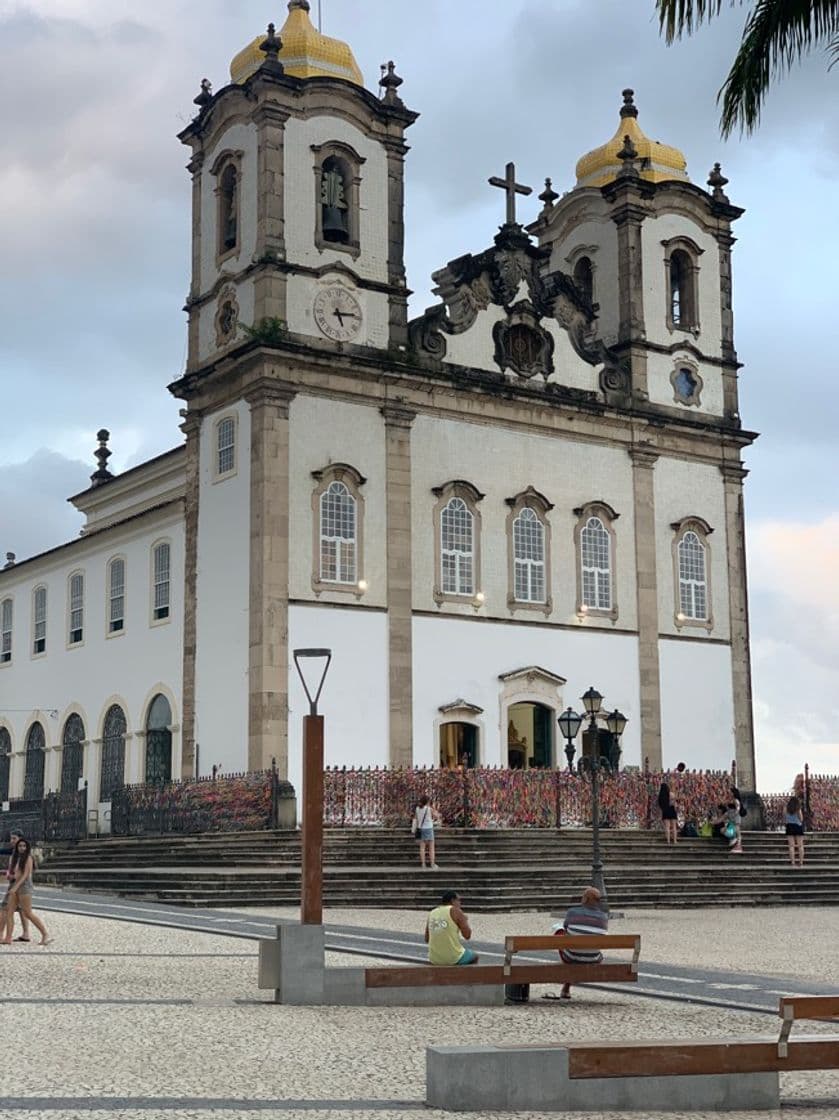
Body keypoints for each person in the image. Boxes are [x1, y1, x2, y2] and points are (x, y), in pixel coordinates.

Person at [553, 885, 608, 999]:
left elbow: (566, 928)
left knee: (559, 934)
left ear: (585, 899)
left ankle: (566, 987)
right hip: (594, 958)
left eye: (583, 896)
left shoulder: (572, 912)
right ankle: (566, 988)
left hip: (571, 957)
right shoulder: (603, 917)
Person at [1, 838, 51, 946]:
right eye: (20, 846)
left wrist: (15, 887)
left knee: (27, 913)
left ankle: (45, 934)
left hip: (24, 887)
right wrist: (10, 877)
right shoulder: (15, 858)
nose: (22, 848)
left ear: (27, 847)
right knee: (9, 912)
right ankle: (8, 938)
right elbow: (16, 874)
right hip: (15, 886)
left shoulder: (28, 858)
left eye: (24, 846)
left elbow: (25, 875)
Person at [425, 889, 478, 965]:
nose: (460, 903)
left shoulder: (432, 912)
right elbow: (467, 935)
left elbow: (427, 939)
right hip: (453, 957)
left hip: (434, 958)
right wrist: (465, 920)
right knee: (474, 957)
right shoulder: (456, 911)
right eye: (459, 900)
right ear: (453, 900)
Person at [2, 830, 31, 942]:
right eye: (11, 838)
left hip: (18, 885)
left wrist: (13, 880)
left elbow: (24, 873)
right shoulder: (16, 852)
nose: (11, 841)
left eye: (14, 838)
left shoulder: (24, 854)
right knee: (22, 910)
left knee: (5, 908)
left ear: (20, 839)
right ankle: (26, 933)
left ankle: (4, 936)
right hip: (17, 885)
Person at [413, 795, 439, 870]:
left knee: (422, 848)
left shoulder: (417, 809)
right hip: (429, 828)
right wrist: (434, 808)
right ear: (427, 802)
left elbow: (416, 818)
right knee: (431, 848)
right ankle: (432, 864)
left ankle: (423, 864)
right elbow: (437, 816)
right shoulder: (429, 809)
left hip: (421, 829)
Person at [785, 795, 805, 867]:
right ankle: (801, 863)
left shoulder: (786, 808)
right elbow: (801, 819)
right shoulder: (798, 809)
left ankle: (793, 863)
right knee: (800, 846)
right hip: (797, 826)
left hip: (789, 826)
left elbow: (785, 817)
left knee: (791, 846)